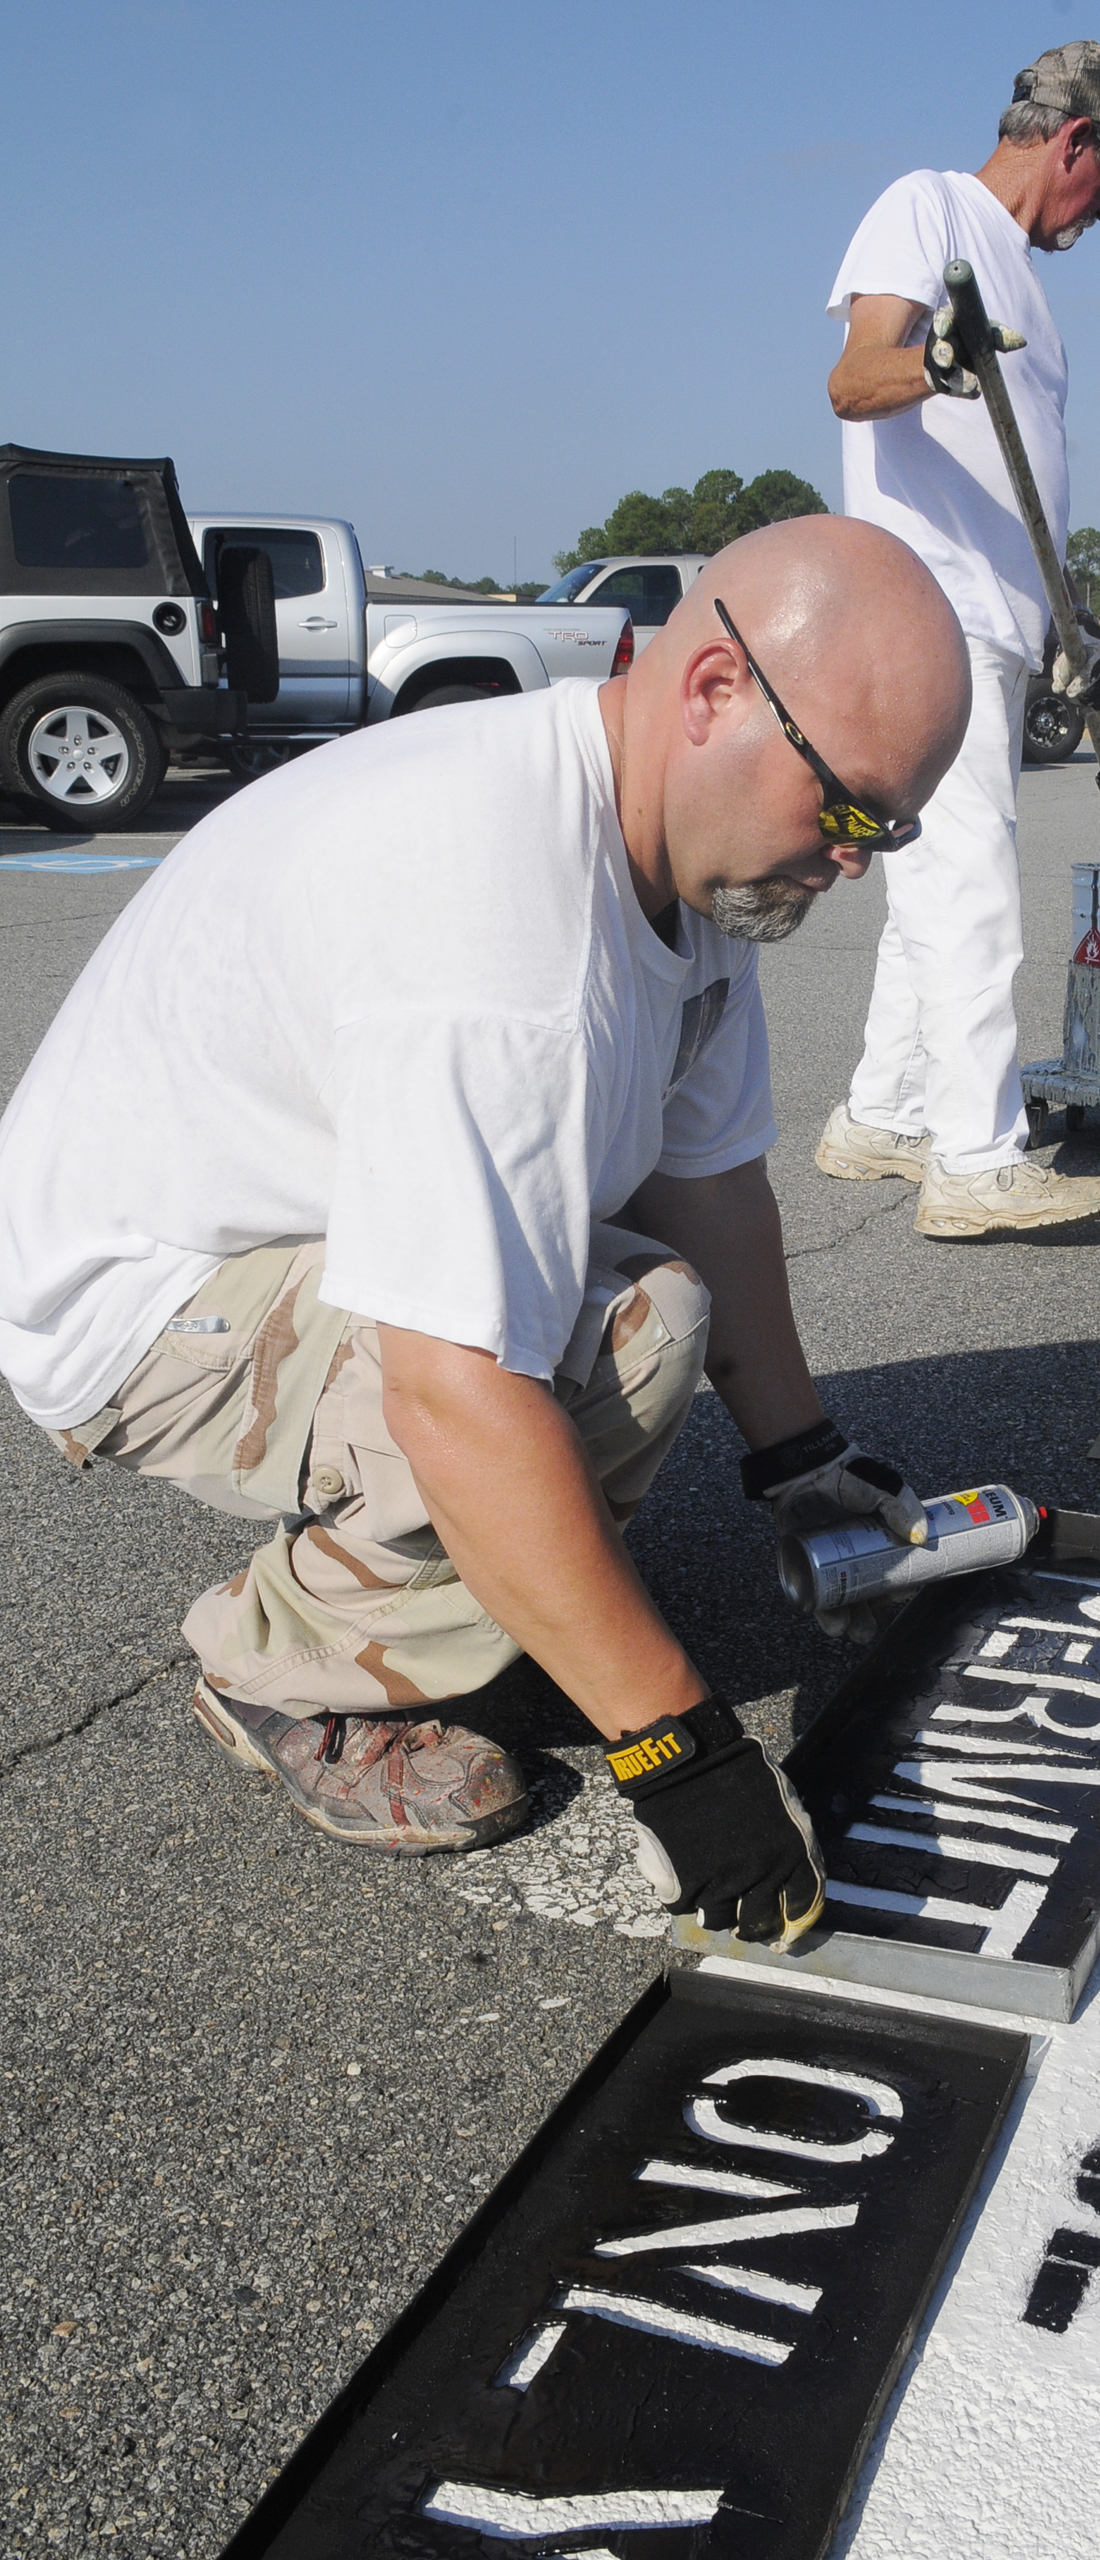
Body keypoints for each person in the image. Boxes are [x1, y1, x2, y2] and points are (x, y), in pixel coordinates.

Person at [0, 517, 971, 1951]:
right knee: (585, 1348)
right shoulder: (500, 924)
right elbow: (457, 1389)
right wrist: (681, 1760)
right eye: (846, 812)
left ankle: (468, 1601)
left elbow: (706, 1187)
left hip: (290, 1230)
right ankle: (289, 1665)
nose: (854, 865)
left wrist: (803, 1462)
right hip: (137, 1305)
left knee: (648, 1301)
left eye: (885, 831)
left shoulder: (687, 861)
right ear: (712, 691)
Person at [816, 39, 1100, 1240]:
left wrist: (1067, 619)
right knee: (968, 887)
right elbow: (853, 378)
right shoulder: (928, 208)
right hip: (925, 612)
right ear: (1073, 140)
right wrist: (933, 356)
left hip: (996, 622)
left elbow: (1020, 491)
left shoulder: (1031, 297)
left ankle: (880, 1115)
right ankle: (973, 1158)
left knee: (932, 884)